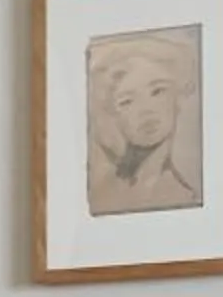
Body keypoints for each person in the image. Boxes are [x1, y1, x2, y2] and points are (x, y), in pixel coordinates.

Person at [86, 30, 202, 214]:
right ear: (113, 114)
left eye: (157, 91)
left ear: (179, 95)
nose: (146, 110)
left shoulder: (184, 195)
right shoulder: (101, 194)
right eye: (126, 101)